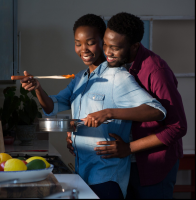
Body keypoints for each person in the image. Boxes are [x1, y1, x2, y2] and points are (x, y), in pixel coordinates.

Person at [21, 14, 166, 199]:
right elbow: (52, 107)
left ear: (103, 43)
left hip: (107, 175)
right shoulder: (80, 78)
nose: (84, 49)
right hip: (83, 172)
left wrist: (109, 113)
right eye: (78, 43)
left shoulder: (118, 76)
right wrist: (38, 88)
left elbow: (157, 110)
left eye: (90, 42)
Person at [66, 12, 187, 199]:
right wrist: (78, 135)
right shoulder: (115, 66)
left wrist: (129, 147)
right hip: (124, 163)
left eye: (114, 48)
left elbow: (178, 127)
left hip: (152, 164)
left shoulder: (156, 71)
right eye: (105, 44)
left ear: (134, 46)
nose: (107, 52)